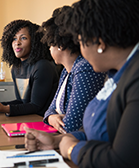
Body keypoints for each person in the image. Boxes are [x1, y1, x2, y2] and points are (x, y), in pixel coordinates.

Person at [25, 0, 139, 167]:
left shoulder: (134, 80)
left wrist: (71, 149)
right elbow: (103, 132)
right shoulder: (118, 75)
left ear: (99, 42)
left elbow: (120, 161)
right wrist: (56, 141)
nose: (80, 51)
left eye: (80, 41)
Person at [40, 6, 106, 133]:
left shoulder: (84, 68)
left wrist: (52, 118)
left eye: (50, 45)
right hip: (63, 138)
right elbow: (50, 109)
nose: (49, 49)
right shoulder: (66, 70)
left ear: (60, 44)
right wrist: (52, 118)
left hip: (74, 142)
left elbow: (71, 125)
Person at [0, 19, 62, 116]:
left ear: (34, 42)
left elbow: (36, 106)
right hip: (27, 119)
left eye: (23, 38)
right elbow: (22, 102)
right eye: (14, 38)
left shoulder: (42, 66)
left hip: (43, 121)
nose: (17, 43)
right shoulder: (15, 68)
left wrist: (5, 108)